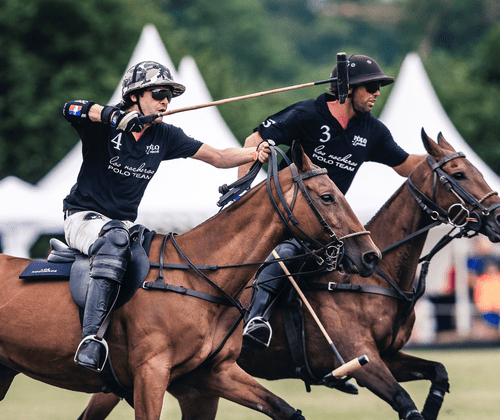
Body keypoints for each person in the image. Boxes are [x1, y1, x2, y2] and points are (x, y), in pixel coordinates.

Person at [62, 61, 270, 372]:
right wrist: (113, 116)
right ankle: (91, 339)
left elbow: (218, 157)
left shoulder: (164, 135)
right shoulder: (103, 124)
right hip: (83, 217)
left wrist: (253, 153)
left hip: (124, 225)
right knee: (115, 239)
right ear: (134, 96)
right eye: (159, 94)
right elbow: (70, 107)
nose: (165, 102)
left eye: (169, 97)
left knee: (158, 251)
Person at [238, 54, 425, 352]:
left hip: (330, 225)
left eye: (379, 87)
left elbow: (405, 165)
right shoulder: (307, 114)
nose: (377, 93)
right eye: (371, 87)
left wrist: (445, 160)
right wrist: (242, 193)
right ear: (347, 88)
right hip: (287, 215)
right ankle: (256, 319)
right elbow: (254, 141)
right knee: (288, 251)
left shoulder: (371, 131)